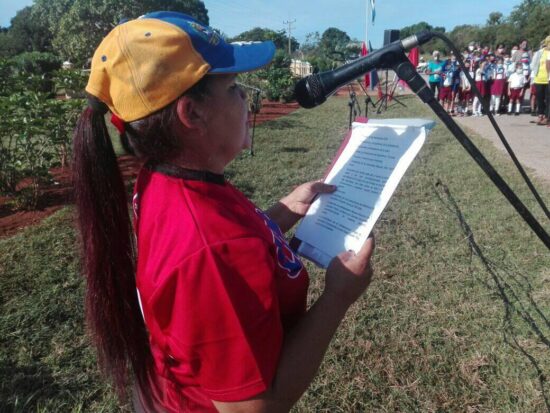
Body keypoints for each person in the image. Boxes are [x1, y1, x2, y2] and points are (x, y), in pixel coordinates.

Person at [72, 11, 375, 413]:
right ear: (192, 114)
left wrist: (283, 212)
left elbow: (231, 245)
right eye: (233, 87)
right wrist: (338, 295)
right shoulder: (209, 248)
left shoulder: (172, 180)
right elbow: (257, 408)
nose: (245, 98)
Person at [530, 37, 550, 125]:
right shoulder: (539, 53)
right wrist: (533, 76)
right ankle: (540, 115)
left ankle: (547, 117)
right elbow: (533, 65)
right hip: (539, 79)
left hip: (548, 80)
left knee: (548, 99)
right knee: (540, 99)